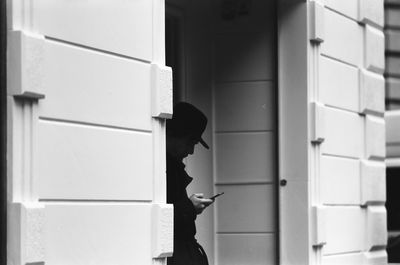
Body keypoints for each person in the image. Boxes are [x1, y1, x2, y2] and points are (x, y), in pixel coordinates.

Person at [166, 102, 213, 265]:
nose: (191, 151)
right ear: (174, 134)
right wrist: (188, 207)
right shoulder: (160, 169)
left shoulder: (172, 166)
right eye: (190, 142)